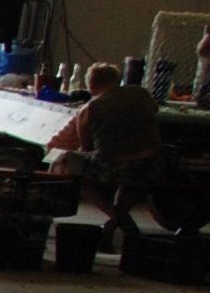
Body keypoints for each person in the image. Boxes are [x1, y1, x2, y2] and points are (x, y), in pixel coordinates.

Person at [46, 61, 166, 217]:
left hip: (114, 168)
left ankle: (114, 214)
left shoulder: (88, 109)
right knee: (135, 175)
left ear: (90, 85)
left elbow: (87, 148)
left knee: (66, 163)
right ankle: (118, 219)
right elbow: (154, 109)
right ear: (116, 79)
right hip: (152, 165)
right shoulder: (140, 92)